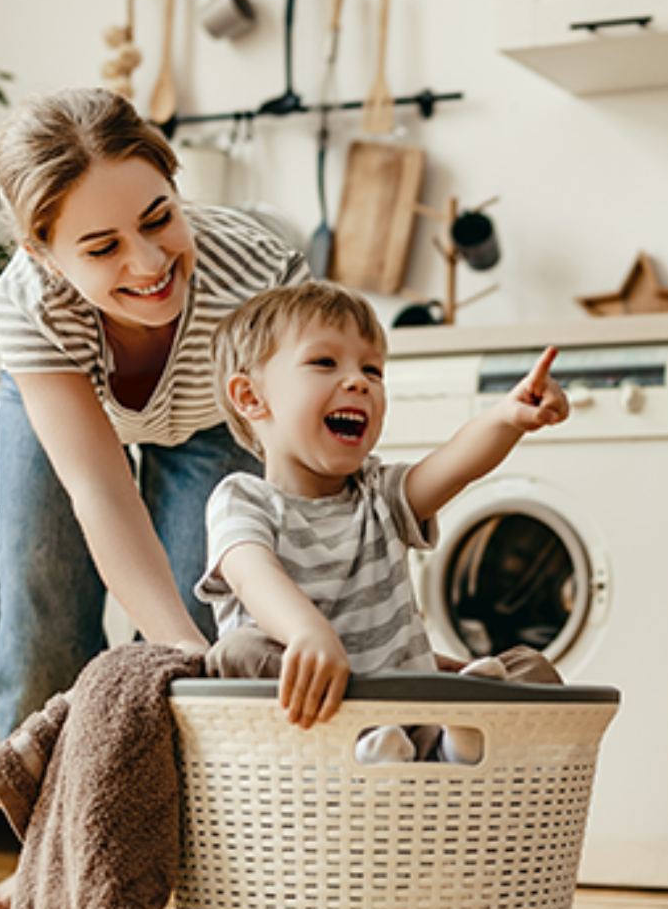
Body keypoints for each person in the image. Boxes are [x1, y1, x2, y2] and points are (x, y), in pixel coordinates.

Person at [0, 87, 308, 909]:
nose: (149, 264)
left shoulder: (259, 271)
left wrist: (207, 653)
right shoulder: (29, 303)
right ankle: (48, 856)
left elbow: (296, 458)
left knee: (211, 623)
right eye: (103, 246)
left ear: (175, 184)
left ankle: (195, 862)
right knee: (44, 616)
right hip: (71, 401)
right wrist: (180, 654)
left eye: (159, 218)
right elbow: (98, 490)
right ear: (46, 255)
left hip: (214, 417)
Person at [196, 281, 569, 762]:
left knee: (530, 668)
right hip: (312, 724)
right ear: (250, 397)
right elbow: (252, 575)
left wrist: (507, 418)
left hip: (412, 708)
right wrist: (308, 633)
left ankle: (456, 743)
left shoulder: (379, 494)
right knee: (236, 655)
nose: (359, 382)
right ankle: (376, 746)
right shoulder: (241, 499)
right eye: (324, 362)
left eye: (372, 369)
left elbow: (454, 463)